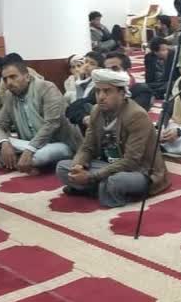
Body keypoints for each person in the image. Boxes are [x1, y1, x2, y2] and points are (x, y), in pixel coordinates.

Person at [56, 69, 169, 208]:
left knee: (115, 181)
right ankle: (100, 189)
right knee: (62, 167)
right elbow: (87, 147)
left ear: (122, 93)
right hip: (108, 165)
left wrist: (91, 177)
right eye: (98, 91)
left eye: (107, 91)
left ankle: (93, 188)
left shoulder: (136, 115)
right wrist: (78, 166)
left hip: (139, 170)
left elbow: (131, 161)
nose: (101, 97)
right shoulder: (96, 111)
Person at [0, 58, 82, 173]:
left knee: (42, 155)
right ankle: (24, 163)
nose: (9, 83)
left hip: (57, 144)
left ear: (27, 77)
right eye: (5, 79)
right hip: (28, 144)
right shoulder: (9, 95)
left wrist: (30, 149)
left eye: (13, 77)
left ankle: (16, 162)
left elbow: (52, 123)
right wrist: (4, 143)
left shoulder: (46, 88)